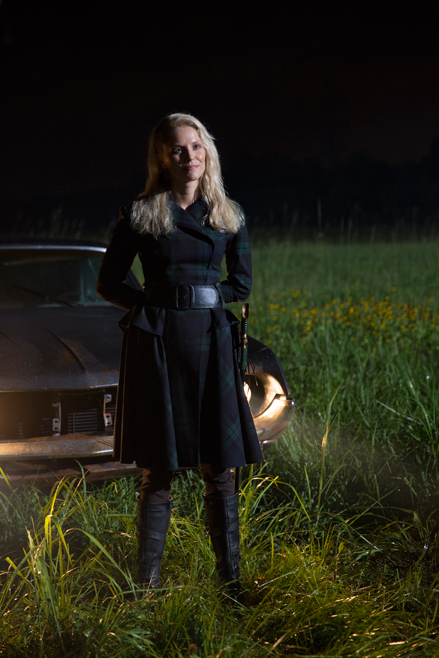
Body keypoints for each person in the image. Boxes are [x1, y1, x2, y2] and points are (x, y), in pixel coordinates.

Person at [96, 112, 263, 597]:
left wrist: (203, 299)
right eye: (177, 149)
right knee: (158, 467)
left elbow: (241, 285)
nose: (189, 156)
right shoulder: (141, 214)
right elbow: (109, 282)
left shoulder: (228, 214)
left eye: (196, 146)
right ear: (162, 159)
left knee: (220, 467)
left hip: (211, 341)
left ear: (206, 152)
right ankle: (146, 591)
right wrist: (151, 307)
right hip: (158, 343)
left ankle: (231, 584)